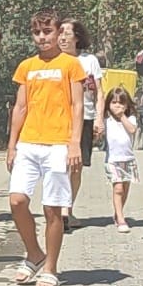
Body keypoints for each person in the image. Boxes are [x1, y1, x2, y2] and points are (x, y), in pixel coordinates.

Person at [5, 9, 86, 286]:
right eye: (37, 32)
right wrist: (11, 144)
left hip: (58, 144)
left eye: (47, 32)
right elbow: (20, 107)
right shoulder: (26, 66)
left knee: (52, 209)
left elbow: (77, 105)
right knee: (17, 201)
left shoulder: (71, 65)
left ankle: (50, 268)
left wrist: (75, 142)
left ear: (58, 33)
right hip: (29, 142)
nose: (42, 37)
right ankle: (34, 254)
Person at [58, 18, 104, 233]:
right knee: (59, 166)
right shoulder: (52, 60)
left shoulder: (89, 61)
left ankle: (67, 209)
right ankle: (59, 210)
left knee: (76, 167)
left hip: (84, 117)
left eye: (67, 33)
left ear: (77, 37)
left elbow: (99, 93)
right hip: (58, 119)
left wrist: (99, 119)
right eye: (59, 32)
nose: (63, 37)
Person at [97, 86, 139, 233]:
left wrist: (122, 117)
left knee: (125, 188)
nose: (117, 106)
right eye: (114, 102)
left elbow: (132, 130)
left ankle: (118, 211)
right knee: (118, 188)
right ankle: (121, 219)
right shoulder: (106, 121)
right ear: (108, 104)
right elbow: (98, 133)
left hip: (128, 159)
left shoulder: (130, 119)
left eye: (121, 103)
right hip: (113, 160)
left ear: (127, 105)